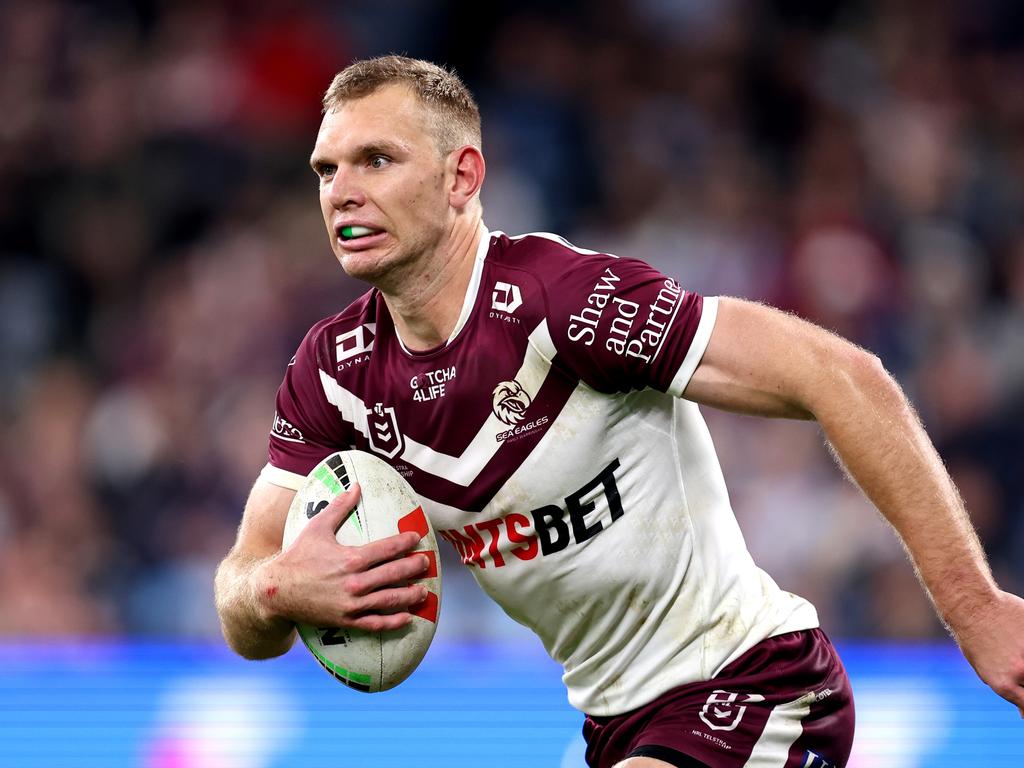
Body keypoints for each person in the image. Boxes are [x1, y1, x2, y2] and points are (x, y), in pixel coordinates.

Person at [213, 55, 1024, 768]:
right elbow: (242, 592)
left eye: (376, 160)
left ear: (462, 177)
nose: (342, 192)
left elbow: (841, 375)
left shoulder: (565, 303)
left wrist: (977, 610)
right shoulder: (333, 374)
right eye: (325, 170)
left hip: (755, 683)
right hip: (619, 732)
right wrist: (278, 588)